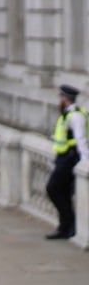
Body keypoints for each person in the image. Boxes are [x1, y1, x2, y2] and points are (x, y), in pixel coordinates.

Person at [45, 85, 88, 240]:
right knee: (63, 192)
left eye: (61, 98)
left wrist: (84, 162)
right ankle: (65, 227)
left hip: (70, 159)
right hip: (63, 157)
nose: (59, 101)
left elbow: (81, 139)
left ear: (65, 99)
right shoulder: (67, 114)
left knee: (53, 188)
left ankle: (69, 225)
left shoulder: (75, 116)